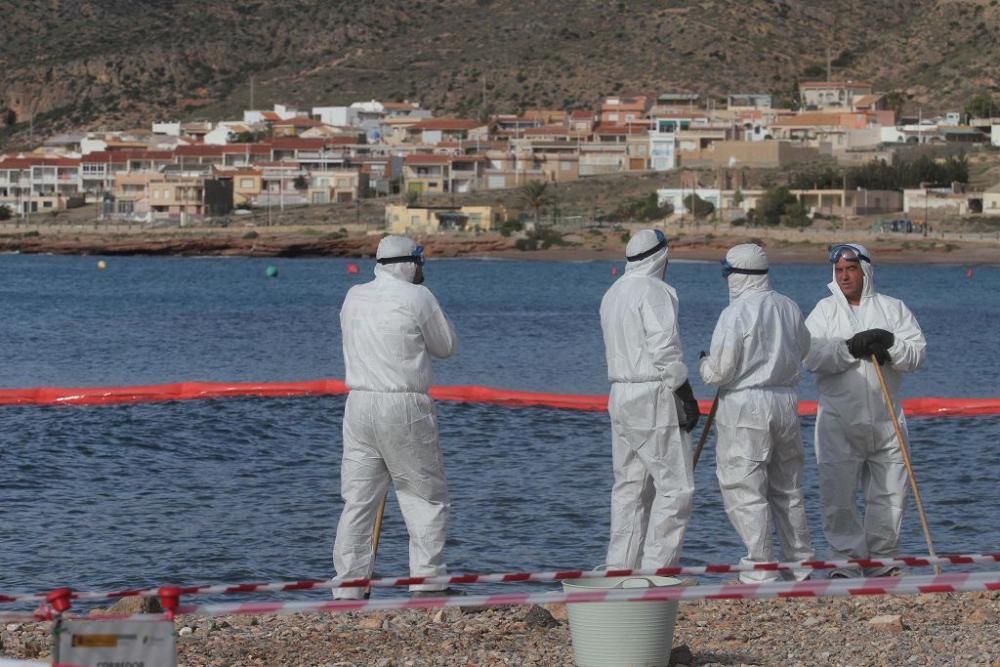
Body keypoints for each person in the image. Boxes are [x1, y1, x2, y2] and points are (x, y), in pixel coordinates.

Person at [333, 235, 459, 599]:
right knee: (424, 497)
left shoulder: (354, 295)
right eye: (421, 262)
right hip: (403, 405)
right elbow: (447, 346)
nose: (423, 269)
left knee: (358, 500)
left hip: (357, 405)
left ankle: (349, 587)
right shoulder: (418, 297)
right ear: (410, 263)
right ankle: (429, 583)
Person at [803, 243, 926, 578]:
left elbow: (917, 354)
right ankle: (845, 563)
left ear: (866, 271)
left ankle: (884, 561)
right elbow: (809, 355)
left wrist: (891, 346)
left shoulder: (893, 309)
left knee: (890, 493)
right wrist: (848, 349)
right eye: (839, 271)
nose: (844, 276)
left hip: (887, 418)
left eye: (851, 269)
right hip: (838, 420)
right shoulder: (824, 311)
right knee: (838, 496)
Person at [699, 244, 815, 582]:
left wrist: (704, 364)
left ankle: (760, 569)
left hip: (745, 405)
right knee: (788, 487)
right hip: (785, 402)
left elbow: (720, 372)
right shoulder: (789, 306)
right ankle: (801, 565)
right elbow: (805, 349)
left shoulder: (734, 314)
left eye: (727, 273)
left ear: (737, 275)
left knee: (744, 488)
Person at [599, 229, 699, 569]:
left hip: (619, 393)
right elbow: (664, 346)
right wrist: (683, 390)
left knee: (629, 487)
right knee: (675, 487)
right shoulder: (655, 291)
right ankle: (659, 570)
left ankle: (619, 568)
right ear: (661, 256)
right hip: (652, 391)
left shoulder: (613, 293)